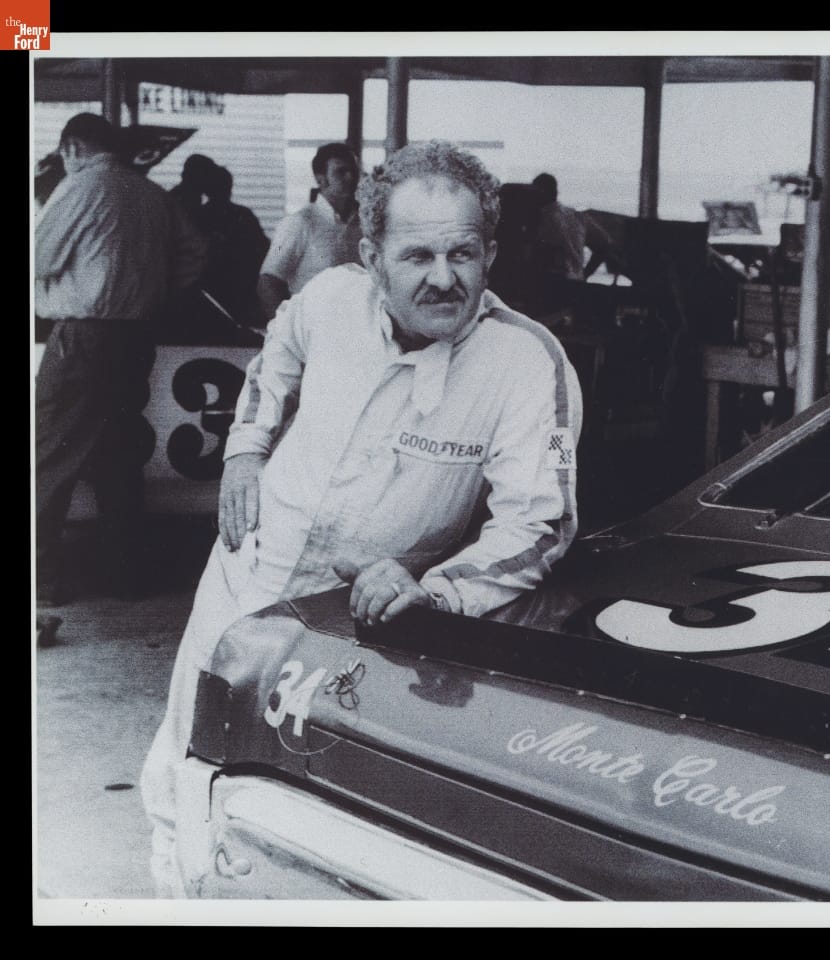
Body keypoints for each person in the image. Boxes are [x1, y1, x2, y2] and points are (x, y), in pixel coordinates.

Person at [140, 140, 584, 897]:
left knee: (306, 813)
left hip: (360, 618)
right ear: (372, 255)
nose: (444, 279)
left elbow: (538, 526)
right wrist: (246, 448)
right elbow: (275, 353)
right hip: (246, 570)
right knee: (182, 773)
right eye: (416, 257)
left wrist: (437, 590)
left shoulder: (527, 363)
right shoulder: (328, 298)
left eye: (464, 254)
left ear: (492, 253)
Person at [35, 113, 208, 605]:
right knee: (119, 457)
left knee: (49, 454)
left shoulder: (80, 187)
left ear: (72, 148)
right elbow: (195, 252)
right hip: (135, 337)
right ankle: (125, 577)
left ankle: (41, 580)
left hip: (82, 335)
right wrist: (153, 291)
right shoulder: (150, 193)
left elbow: (37, 257)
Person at [256, 142, 362, 319]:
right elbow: (268, 282)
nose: (350, 177)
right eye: (341, 172)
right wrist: (285, 331)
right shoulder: (299, 223)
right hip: (312, 329)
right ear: (321, 179)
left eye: (354, 171)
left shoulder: (366, 224)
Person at [196, 164, 271, 331]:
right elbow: (264, 250)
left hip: (228, 291)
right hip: (230, 291)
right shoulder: (242, 215)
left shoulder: (199, 216)